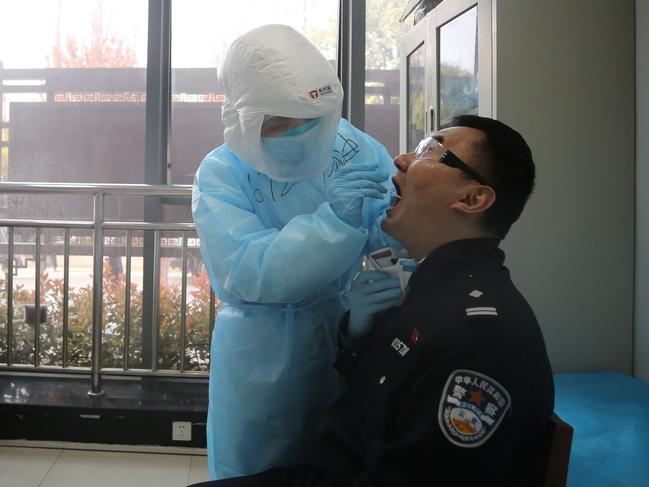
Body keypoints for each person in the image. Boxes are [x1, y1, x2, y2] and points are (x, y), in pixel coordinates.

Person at [189, 115, 555, 487]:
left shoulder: (478, 337)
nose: (400, 159)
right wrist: (357, 336)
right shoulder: (434, 292)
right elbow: (384, 390)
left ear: (472, 198)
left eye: (430, 150)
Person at [192, 24, 398, 480]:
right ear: (244, 117)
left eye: (309, 119)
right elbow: (247, 271)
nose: (300, 134)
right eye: (280, 124)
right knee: (253, 469)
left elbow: (397, 230)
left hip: (340, 331)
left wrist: (392, 258)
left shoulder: (352, 148)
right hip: (257, 350)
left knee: (333, 459)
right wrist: (336, 222)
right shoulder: (221, 173)